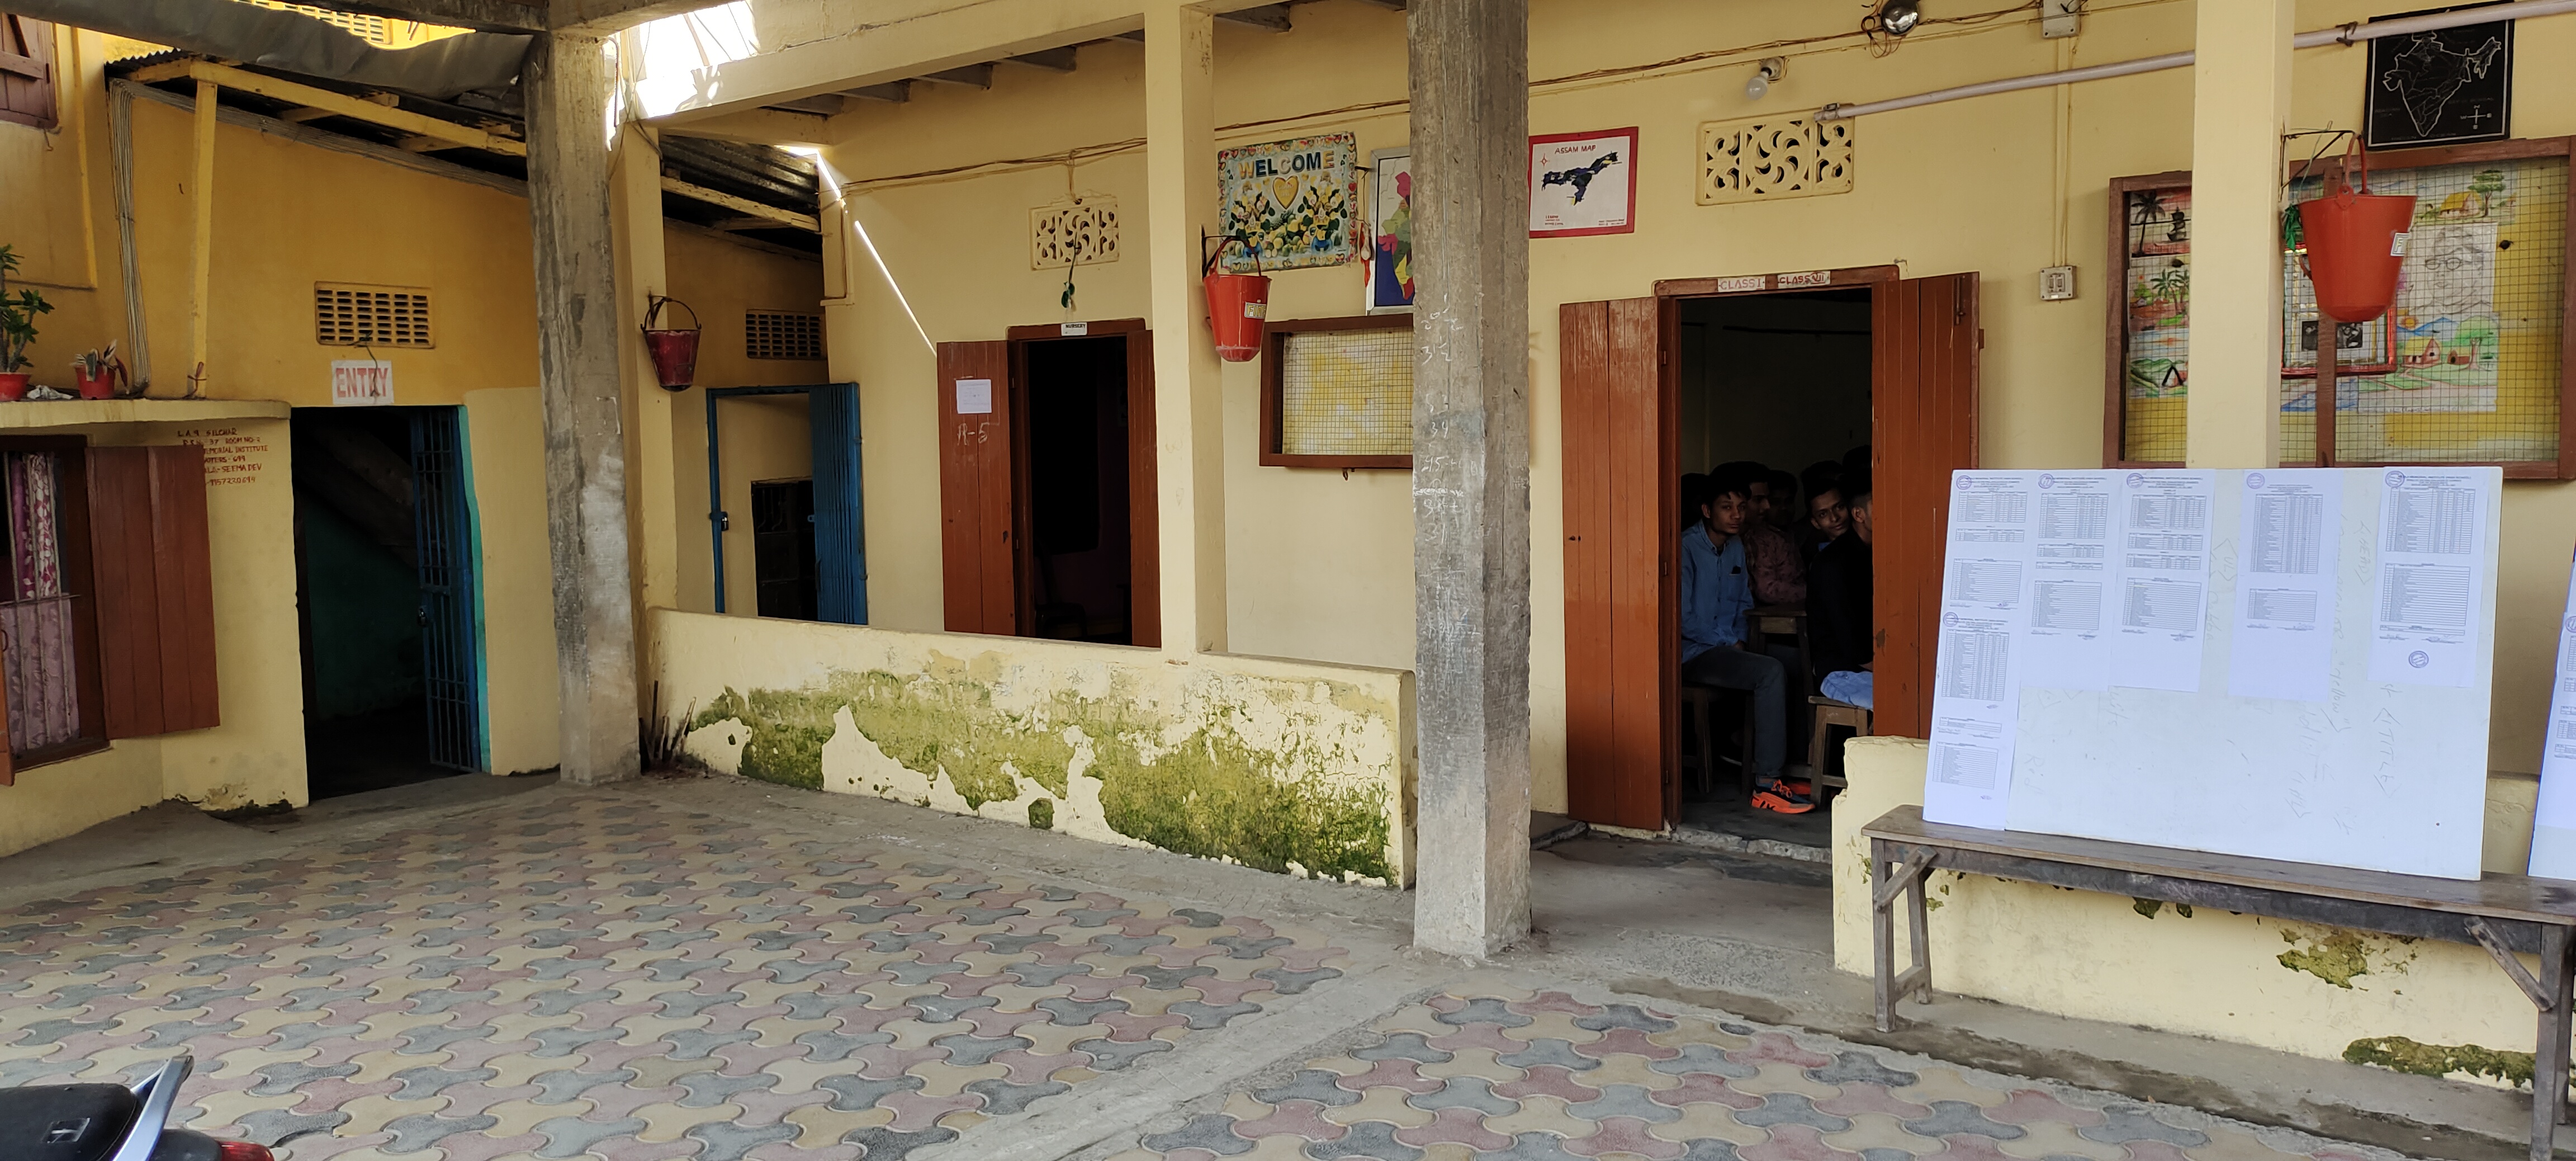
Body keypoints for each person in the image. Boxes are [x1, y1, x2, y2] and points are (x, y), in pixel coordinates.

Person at [1679, 475, 1813, 814]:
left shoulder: (1736, 546)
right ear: (1707, 511)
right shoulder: (1685, 548)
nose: (1737, 515)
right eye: (1727, 507)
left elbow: (1744, 604)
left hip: (1732, 645)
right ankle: (1766, 784)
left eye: (1741, 506)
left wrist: (1742, 641)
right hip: (1695, 653)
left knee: (1798, 661)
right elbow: (1683, 619)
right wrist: (1731, 642)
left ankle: (1796, 768)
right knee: (1769, 673)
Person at [1810, 481, 1874, 711]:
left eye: (1838, 507)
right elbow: (1849, 637)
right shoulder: (1833, 563)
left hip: (1874, 664)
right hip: (1843, 670)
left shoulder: (1877, 551)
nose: (1835, 517)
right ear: (1858, 514)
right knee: (1903, 703)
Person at [1716, 464, 1803, 605]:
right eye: (1758, 500)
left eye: (1767, 499)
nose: (1767, 506)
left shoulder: (1766, 538)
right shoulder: (1701, 544)